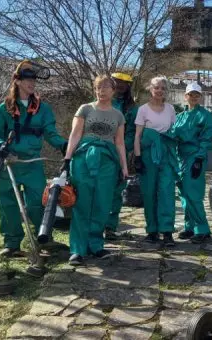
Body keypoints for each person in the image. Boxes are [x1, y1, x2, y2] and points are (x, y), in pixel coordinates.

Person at [0, 60, 67, 258]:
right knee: (8, 204)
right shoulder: (4, 108)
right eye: (27, 79)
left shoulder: (43, 109)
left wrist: (63, 145)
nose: (31, 83)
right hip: (10, 163)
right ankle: (12, 243)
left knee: (38, 203)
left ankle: (43, 239)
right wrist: (1, 146)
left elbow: (50, 133)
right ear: (17, 81)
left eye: (33, 80)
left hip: (32, 163)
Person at [63, 75, 128, 265]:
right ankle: (77, 249)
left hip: (108, 161)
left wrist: (124, 167)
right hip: (83, 159)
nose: (102, 91)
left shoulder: (118, 115)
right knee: (82, 203)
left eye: (106, 87)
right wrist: (67, 158)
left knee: (102, 203)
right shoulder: (85, 109)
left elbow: (120, 143)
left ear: (113, 91)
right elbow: (75, 134)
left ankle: (96, 245)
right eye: (99, 87)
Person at [168, 83, 212, 244]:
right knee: (183, 194)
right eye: (191, 94)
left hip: (195, 156)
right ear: (186, 96)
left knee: (194, 194)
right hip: (180, 158)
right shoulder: (180, 116)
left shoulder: (205, 115)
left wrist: (199, 158)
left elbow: (208, 136)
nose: (194, 97)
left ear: (200, 97)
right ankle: (189, 226)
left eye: (197, 94)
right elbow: (172, 134)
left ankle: (202, 229)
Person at [134, 76, 178, 246]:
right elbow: (138, 135)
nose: (159, 91)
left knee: (167, 192)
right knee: (149, 192)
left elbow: (173, 131)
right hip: (147, 155)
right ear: (150, 90)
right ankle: (152, 230)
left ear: (166, 91)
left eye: (162, 88)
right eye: (156, 87)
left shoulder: (170, 109)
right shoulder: (143, 110)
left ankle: (167, 232)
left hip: (166, 154)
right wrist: (137, 157)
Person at [105, 72, 139, 240]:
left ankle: (110, 226)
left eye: (123, 83)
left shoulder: (132, 108)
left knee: (116, 191)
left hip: (119, 154)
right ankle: (96, 224)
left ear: (128, 87)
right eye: (116, 82)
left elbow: (132, 132)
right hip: (100, 151)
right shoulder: (103, 103)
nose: (119, 86)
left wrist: (122, 147)